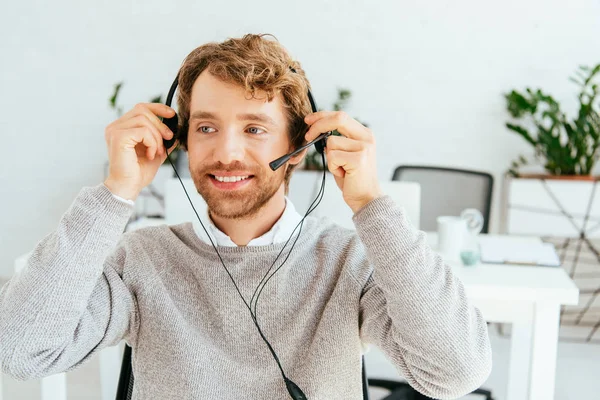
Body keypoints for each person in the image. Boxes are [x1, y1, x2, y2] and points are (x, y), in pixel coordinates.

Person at [0, 34, 491, 399]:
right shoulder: (141, 259)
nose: (226, 152)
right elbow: (21, 352)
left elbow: (456, 372)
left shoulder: (351, 261)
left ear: (299, 148)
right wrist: (115, 191)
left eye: (255, 128)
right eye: (206, 127)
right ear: (181, 139)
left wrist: (371, 206)